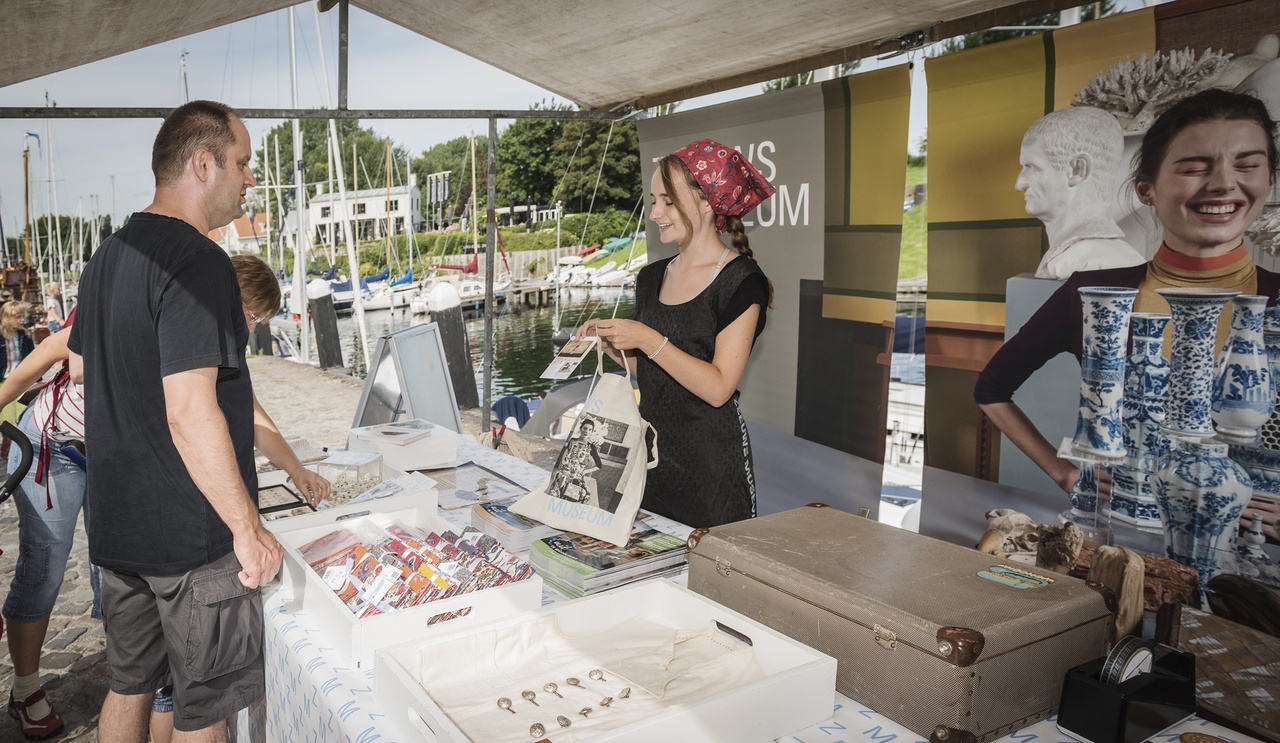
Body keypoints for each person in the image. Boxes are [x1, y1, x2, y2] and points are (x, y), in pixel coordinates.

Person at [67, 99, 283, 740]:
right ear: (202, 163)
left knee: (128, 684)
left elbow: (81, 368)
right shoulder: (199, 261)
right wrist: (247, 527)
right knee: (204, 708)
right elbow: (191, 409)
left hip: (120, 524)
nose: (251, 179)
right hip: (191, 536)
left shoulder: (107, 255)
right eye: (243, 163)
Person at [976, 88, 1280, 541]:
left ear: (1269, 181)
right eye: (1194, 167)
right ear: (1146, 189)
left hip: (1254, 557)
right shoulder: (1094, 292)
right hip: (1125, 538)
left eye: (1247, 165)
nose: (1222, 183)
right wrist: (1067, 475)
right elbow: (991, 388)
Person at [579, 139, 774, 528]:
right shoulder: (650, 277)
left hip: (711, 468)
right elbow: (649, 372)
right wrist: (615, 344)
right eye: (653, 201)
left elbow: (718, 387)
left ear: (706, 200)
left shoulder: (742, 282)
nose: (655, 213)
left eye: (667, 202)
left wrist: (646, 337)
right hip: (650, 459)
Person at [1016, 107, 1145, 279]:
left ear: (1077, 170)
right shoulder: (1071, 257)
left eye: (1031, 167)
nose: (1019, 184)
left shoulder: (1097, 263)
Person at [551, 416, 604, 505]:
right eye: (585, 428)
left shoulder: (591, 447)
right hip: (564, 472)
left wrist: (585, 471)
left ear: (591, 432)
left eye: (590, 430)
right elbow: (560, 456)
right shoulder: (571, 441)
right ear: (581, 428)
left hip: (577, 476)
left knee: (582, 496)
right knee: (556, 494)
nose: (586, 431)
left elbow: (599, 465)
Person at [0, 301, 33, 381]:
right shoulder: (1, 336)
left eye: (23, 316)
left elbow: (32, 356)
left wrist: (37, 378)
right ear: (6, 318)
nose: (22, 320)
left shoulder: (25, 335)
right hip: (4, 378)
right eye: (18, 317)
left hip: (21, 378)